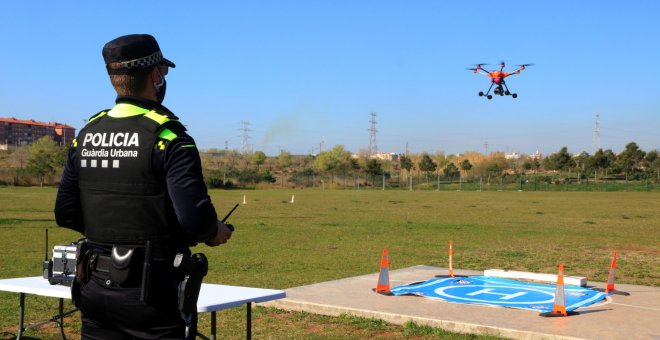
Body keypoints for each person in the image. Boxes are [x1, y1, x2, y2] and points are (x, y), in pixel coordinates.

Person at [55, 34, 233, 339]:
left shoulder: (85, 135)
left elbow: (66, 213)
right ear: (155, 75)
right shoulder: (170, 137)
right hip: (153, 293)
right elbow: (195, 220)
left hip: (94, 286)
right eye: (162, 73)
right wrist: (213, 231)